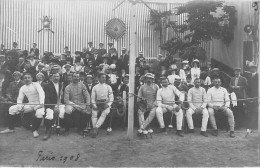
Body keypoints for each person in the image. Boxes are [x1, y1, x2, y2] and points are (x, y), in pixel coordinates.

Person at [0, 73, 45, 138]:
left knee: (39, 113)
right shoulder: (22, 88)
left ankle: (35, 130)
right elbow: (20, 99)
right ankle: (10, 128)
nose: (27, 79)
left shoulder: (36, 84)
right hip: (30, 104)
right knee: (12, 109)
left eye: (29, 77)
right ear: (23, 79)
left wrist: (41, 104)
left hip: (40, 104)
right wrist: (20, 107)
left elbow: (41, 94)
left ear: (32, 79)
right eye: (25, 78)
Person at [91, 72, 114, 138]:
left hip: (105, 104)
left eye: (105, 77)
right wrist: (94, 105)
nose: (104, 79)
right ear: (98, 78)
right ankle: (95, 129)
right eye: (102, 77)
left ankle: (96, 128)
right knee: (94, 113)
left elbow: (111, 98)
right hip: (97, 103)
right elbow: (92, 99)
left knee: (105, 113)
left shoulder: (108, 87)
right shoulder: (95, 87)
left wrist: (108, 104)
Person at [43, 73, 63, 140]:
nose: (56, 78)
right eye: (54, 76)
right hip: (50, 104)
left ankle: (58, 127)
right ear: (51, 77)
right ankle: (47, 131)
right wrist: (53, 107)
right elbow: (46, 99)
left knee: (63, 113)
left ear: (59, 77)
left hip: (60, 104)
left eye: (57, 76)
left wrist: (59, 104)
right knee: (50, 114)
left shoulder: (61, 85)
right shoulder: (47, 86)